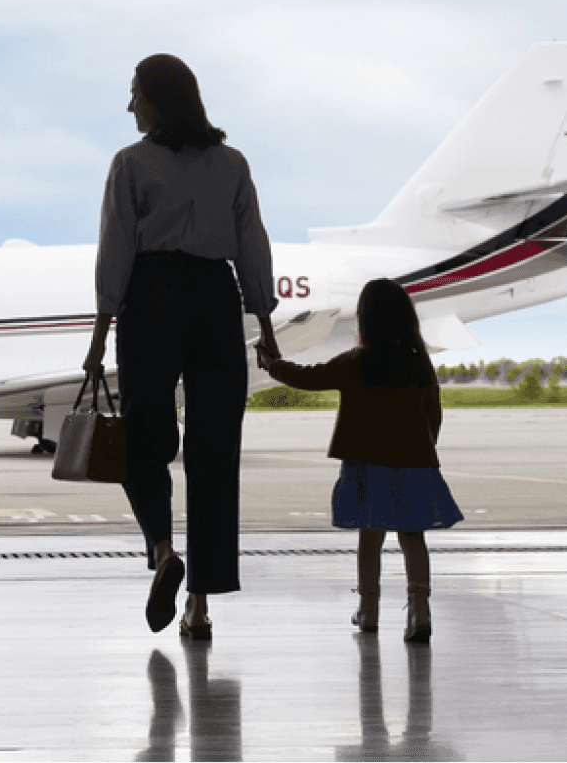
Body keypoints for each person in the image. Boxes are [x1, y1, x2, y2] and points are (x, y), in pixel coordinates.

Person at [82, 54, 280, 639]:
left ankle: (164, 549)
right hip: (216, 298)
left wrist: (98, 337)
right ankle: (199, 603)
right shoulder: (232, 164)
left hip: (152, 295)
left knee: (144, 437)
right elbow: (253, 246)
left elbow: (115, 250)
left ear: (158, 98)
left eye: (135, 93)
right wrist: (264, 327)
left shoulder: (131, 163)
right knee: (215, 448)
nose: (130, 105)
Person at [258, 278, 463, 642]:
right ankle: (420, 610)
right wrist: (423, 448)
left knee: (371, 539)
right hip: (415, 462)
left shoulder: (356, 362)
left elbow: (307, 377)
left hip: (367, 466)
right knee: (412, 537)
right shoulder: (419, 365)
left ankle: (369, 611)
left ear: (365, 321)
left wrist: (272, 364)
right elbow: (434, 414)